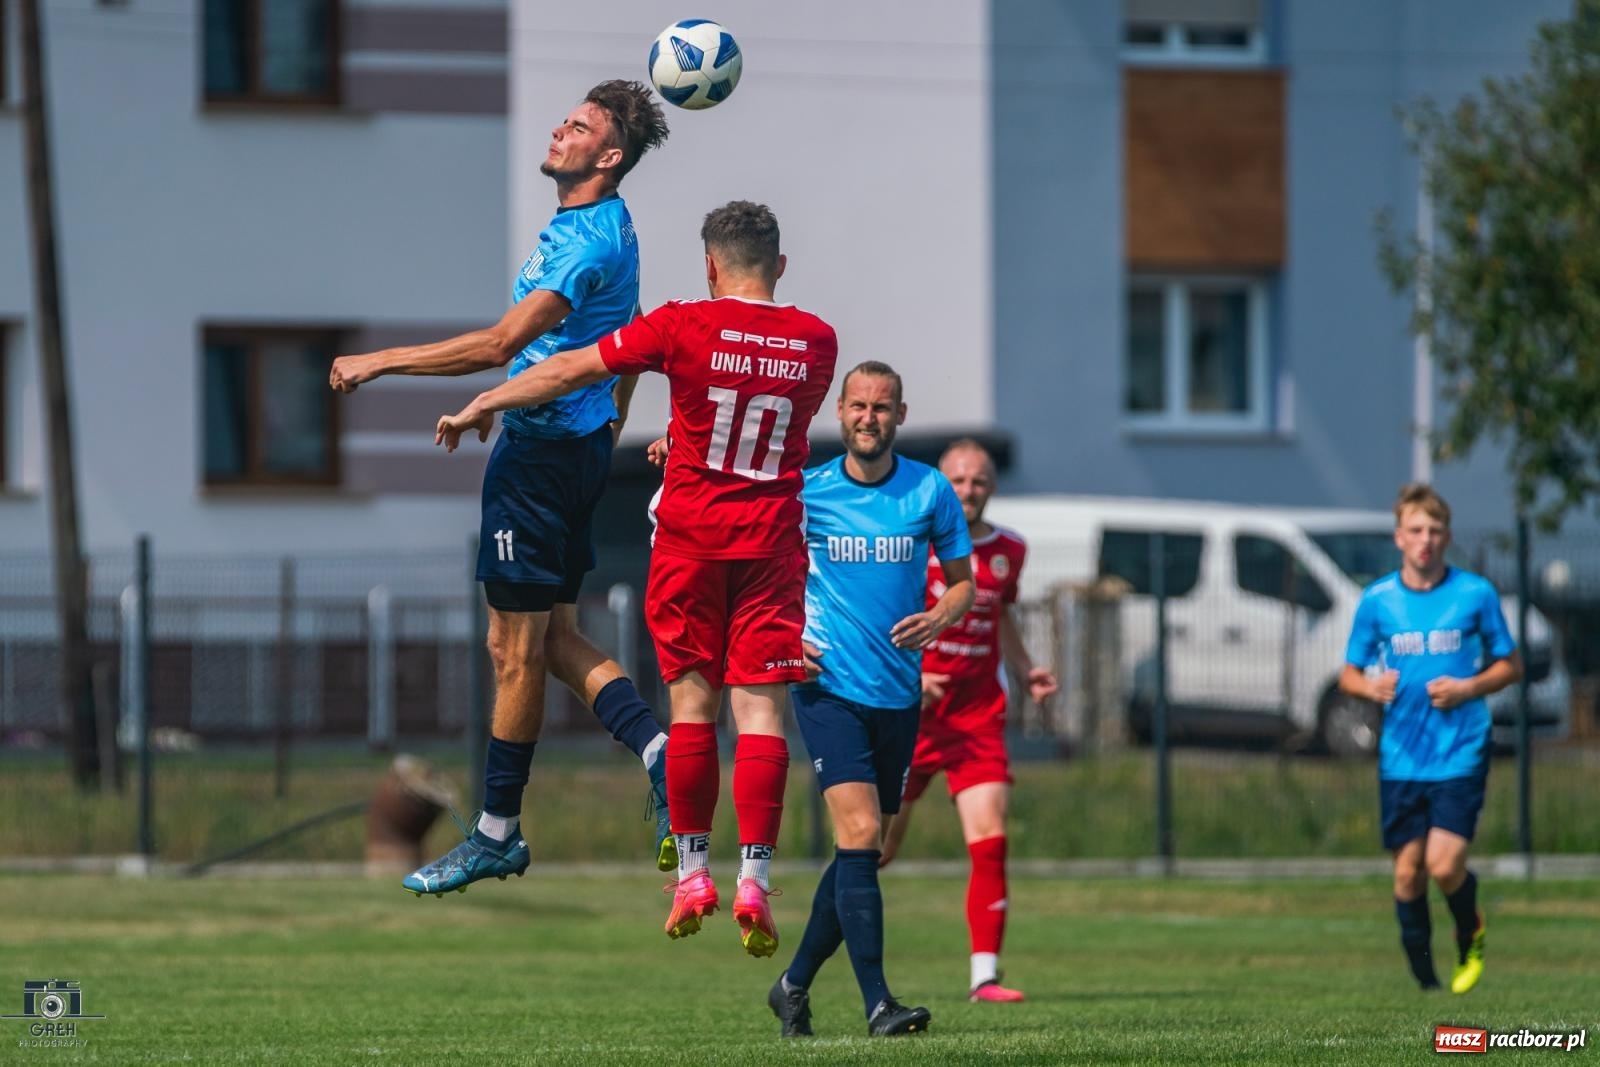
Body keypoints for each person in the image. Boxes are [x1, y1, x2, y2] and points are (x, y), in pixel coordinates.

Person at [437, 200, 840, 956]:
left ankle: (693, 874)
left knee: (690, 708)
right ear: (779, 266)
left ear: (711, 265)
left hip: (691, 542)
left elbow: (569, 366)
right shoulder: (818, 340)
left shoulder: (684, 322)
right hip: (769, 547)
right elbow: (758, 413)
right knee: (761, 716)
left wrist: (488, 396)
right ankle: (755, 876)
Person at [327, 81, 676, 894]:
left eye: (580, 126)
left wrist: (379, 362)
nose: (561, 129)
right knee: (551, 640)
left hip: (542, 463)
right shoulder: (603, 228)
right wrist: (592, 434)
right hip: (568, 449)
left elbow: (499, 342)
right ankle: (663, 753)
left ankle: (495, 833)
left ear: (610, 156)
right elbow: (616, 352)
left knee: (510, 651)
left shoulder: (586, 241)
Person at [766, 362, 975, 1039]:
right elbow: (756, 566)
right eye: (857, 406)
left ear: (900, 416)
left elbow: (963, 585)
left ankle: (792, 984)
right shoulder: (807, 493)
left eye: (881, 408)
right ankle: (879, 1002)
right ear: (840, 411)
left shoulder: (930, 489)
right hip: (827, 689)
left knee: (865, 848)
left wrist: (940, 617)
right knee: (857, 835)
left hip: (898, 693)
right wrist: (785, 635)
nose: (868, 418)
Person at [879, 438, 1058, 1003]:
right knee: (875, 849)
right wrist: (910, 675)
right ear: (941, 484)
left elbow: (1001, 616)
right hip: (911, 716)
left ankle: (985, 976)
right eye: (958, 480)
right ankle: (817, 962)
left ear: (993, 487)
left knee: (990, 840)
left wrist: (1027, 670)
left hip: (976, 720)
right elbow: (879, 617)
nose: (968, 490)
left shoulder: (1011, 549)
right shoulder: (913, 541)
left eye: (978, 480)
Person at [1339, 483, 1521, 995]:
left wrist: (1469, 686)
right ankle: (1425, 978)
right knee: (1407, 875)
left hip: (1460, 748)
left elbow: (1511, 665)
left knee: (1443, 864)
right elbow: (1348, 674)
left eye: (1435, 531)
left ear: (1447, 537)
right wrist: (1370, 685)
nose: (1426, 540)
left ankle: (1471, 929)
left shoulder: (1474, 594)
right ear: (1399, 537)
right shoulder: (1377, 601)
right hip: (1402, 755)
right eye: (1416, 530)